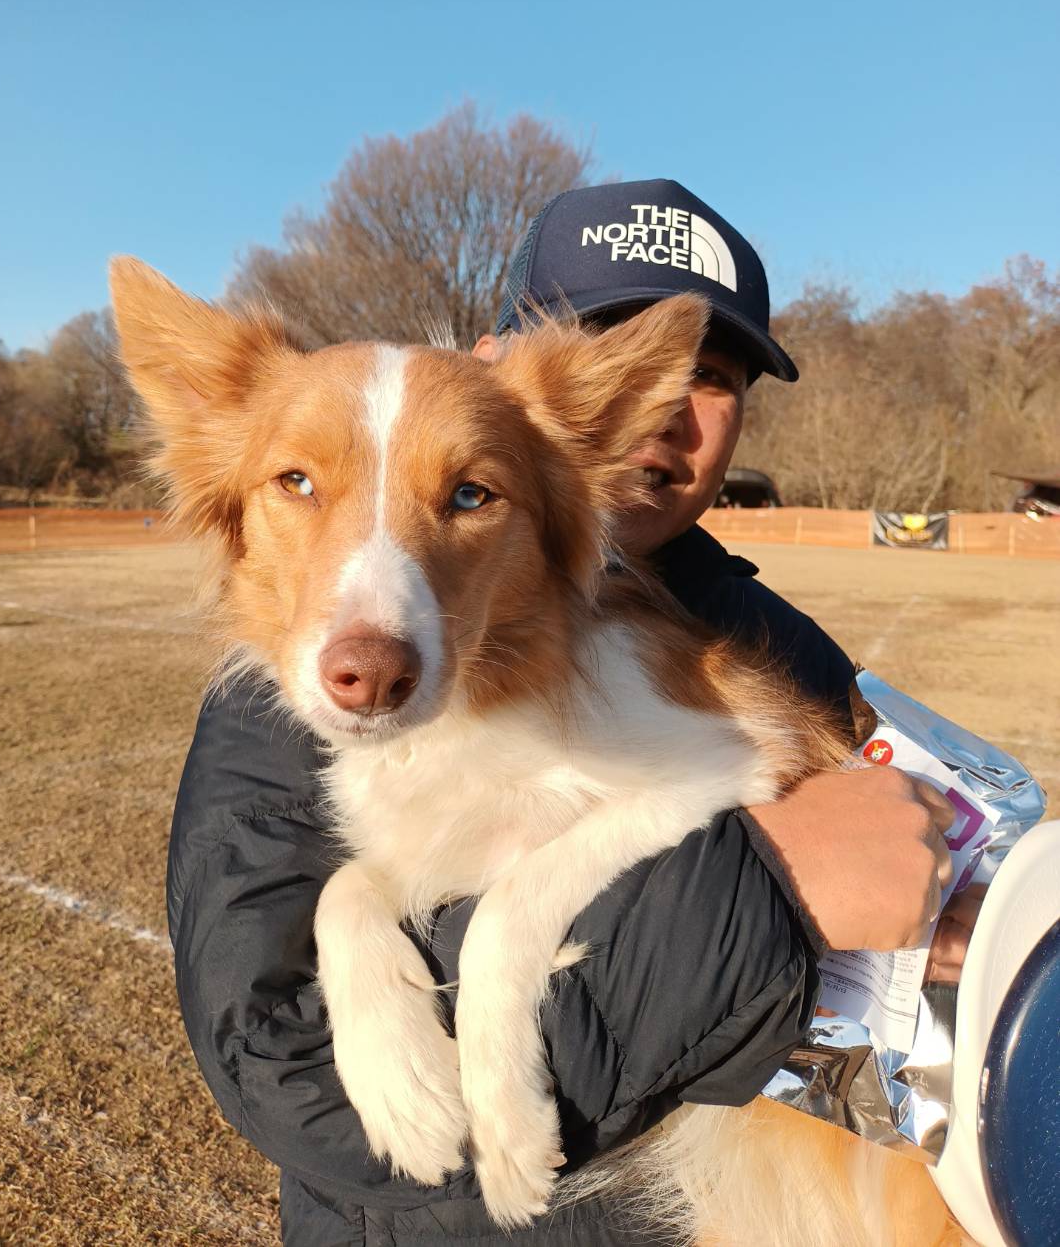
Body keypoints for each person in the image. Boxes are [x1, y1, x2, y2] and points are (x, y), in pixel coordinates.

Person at [167, 179, 963, 1247]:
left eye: (709, 376)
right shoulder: (317, 671)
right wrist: (776, 887)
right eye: (595, 347)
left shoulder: (779, 644)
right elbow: (287, 1065)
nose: (659, 411)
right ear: (492, 360)